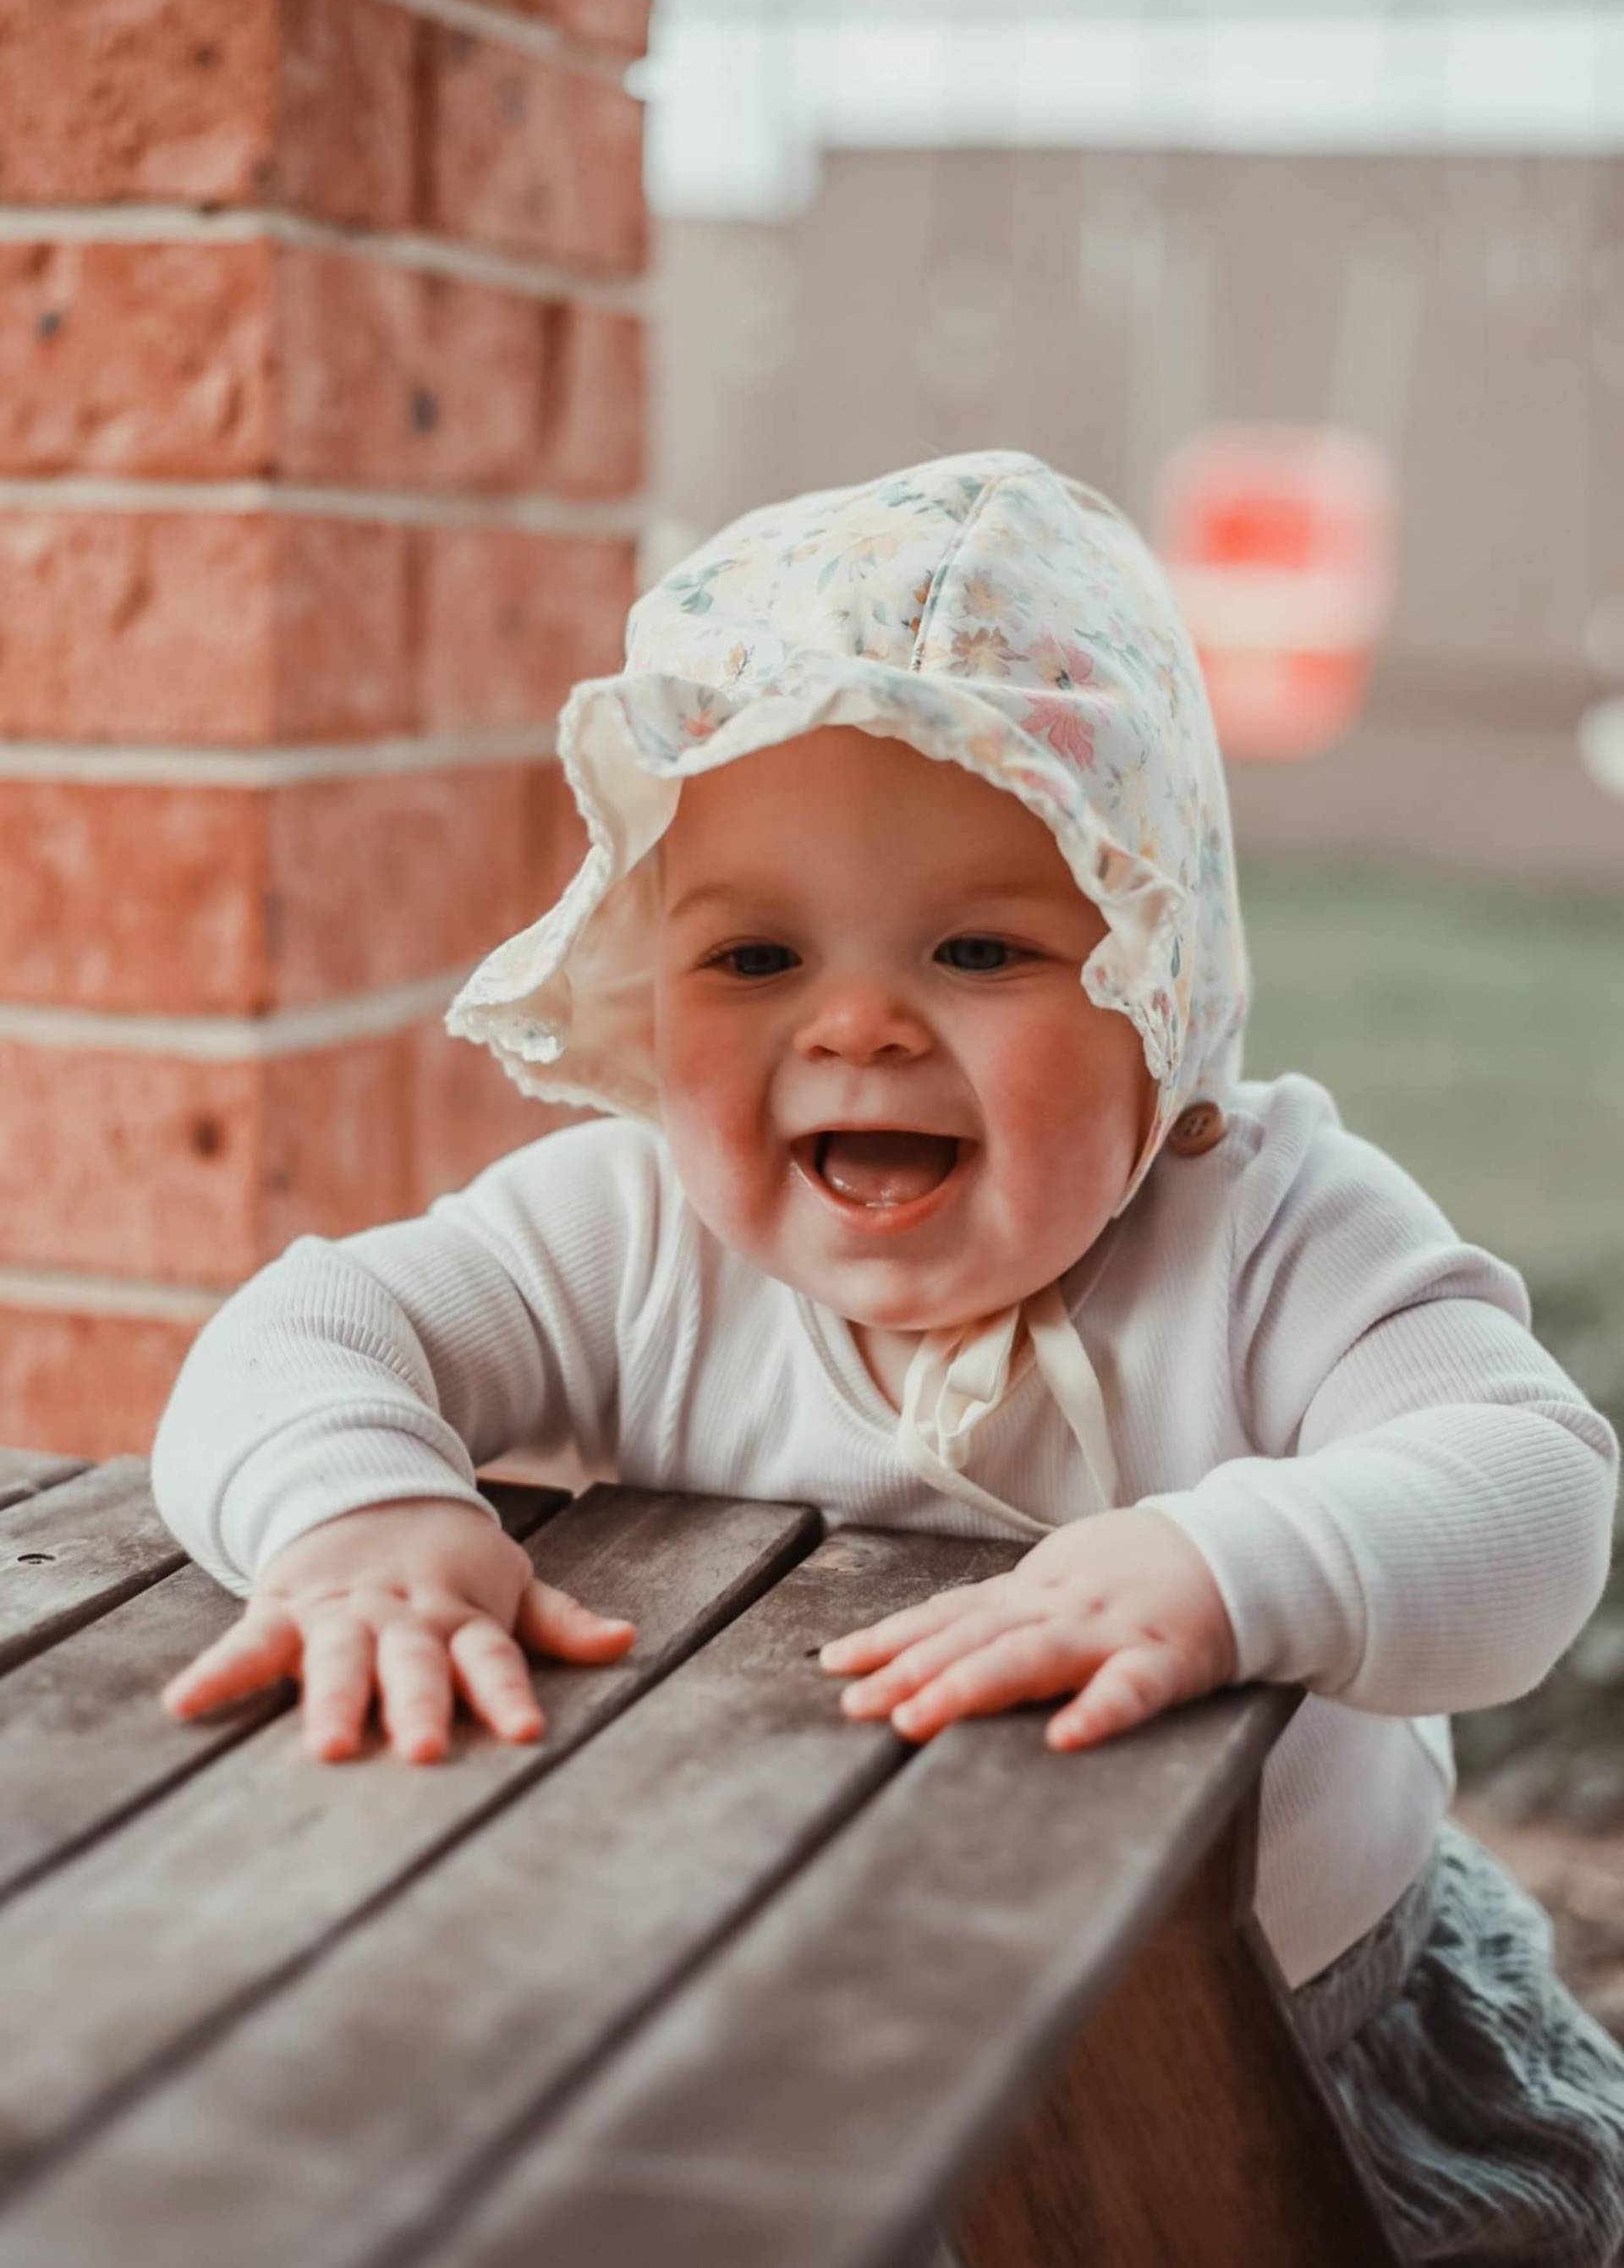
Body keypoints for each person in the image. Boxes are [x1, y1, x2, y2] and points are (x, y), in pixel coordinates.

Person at [150, 448, 1624, 2263]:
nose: (854, 1023)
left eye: (980, 947)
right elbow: (304, 1326)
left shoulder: (1268, 1230)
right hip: (790, 2040)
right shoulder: (632, 1235)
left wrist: (1234, 1562)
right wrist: (358, 1510)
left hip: (1299, 2020)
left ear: (1164, 991)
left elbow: (1534, 1486)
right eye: (757, 953)